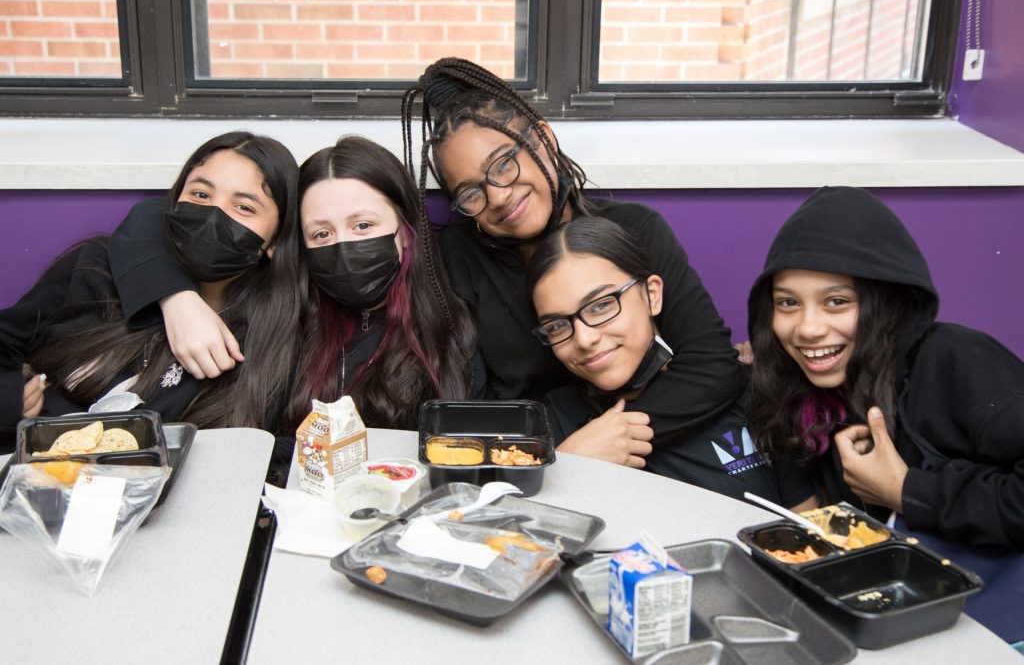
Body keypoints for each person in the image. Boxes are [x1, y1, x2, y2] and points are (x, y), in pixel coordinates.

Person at [400, 58, 746, 470]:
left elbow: (710, 367)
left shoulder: (634, 230)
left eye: (503, 165)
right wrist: (560, 455)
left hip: (648, 454)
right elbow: (471, 411)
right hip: (528, 468)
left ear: (543, 138)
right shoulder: (456, 259)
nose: (497, 197)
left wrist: (602, 444)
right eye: (470, 192)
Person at [747, 186, 1023, 644]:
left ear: (885, 302)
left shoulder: (955, 360)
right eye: (787, 303)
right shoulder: (807, 396)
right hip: (909, 628)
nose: (808, 327)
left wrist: (908, 491)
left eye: (837, 301)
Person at [105, 136, 481, 437]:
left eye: (363, 226)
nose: (344, 245)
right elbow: (154, 215)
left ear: (405, 232)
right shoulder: (282, 316)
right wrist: (177, 300)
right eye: (321, 233)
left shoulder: (449, 324)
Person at [0, 131, 302, 452]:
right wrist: (8, 400)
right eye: (200, 195)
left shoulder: (274, 339)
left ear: (275, 240)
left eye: (243, 207)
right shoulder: (94, 269)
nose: (213, 215)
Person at [528, 217, 779, 502]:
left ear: (652, 295)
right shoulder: (555, 418)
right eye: (557, 326)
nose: (584, 339)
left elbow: (809, 526)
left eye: (600, 306)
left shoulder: (752, 393)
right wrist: (567, 465)